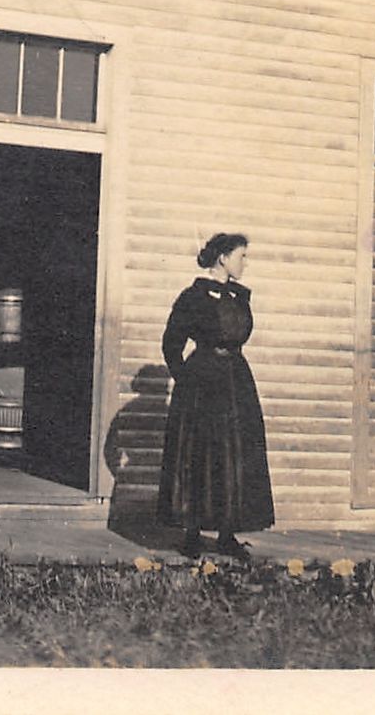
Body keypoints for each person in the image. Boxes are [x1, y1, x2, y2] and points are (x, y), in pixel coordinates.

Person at [156, 233, 276, 560]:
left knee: (236, 455)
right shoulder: (192, 297)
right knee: (201, 455)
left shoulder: (240, 297)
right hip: (203, 384)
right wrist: (188, 381)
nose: (245, 262)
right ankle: (192, 534)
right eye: (241, 256)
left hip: (236, 384)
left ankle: (226, 534)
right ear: (222, 258)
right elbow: (171, 345)